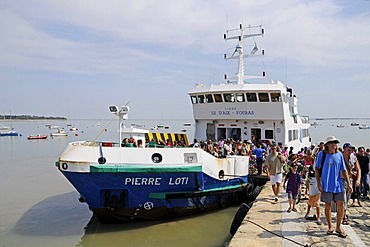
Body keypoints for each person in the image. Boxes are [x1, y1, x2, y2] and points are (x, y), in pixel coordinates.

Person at [315, 136, 353, 238]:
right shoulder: (321, 155)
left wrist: (349, 184)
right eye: (332, 143)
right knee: (328, 206)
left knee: (341, 205)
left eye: (335, 143)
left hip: (338, 185)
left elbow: (344, 170)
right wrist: (318, 183)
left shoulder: (339, 155)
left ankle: (338, 227)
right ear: (327, 145)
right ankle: (330, 226)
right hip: (326, 185)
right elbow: (317, 169)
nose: (334, 145)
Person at [342, 143, 361, 225]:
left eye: (351, 150)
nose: (350, 151)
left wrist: (358, 180)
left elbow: (358, 169)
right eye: (348, 150)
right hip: (341, 180)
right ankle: (343, 216)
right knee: (343, 199)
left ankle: (344, 214)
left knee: (347, 198)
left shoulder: (353, 158)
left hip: (350, 180)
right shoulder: (340, 157)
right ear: (344, 150)